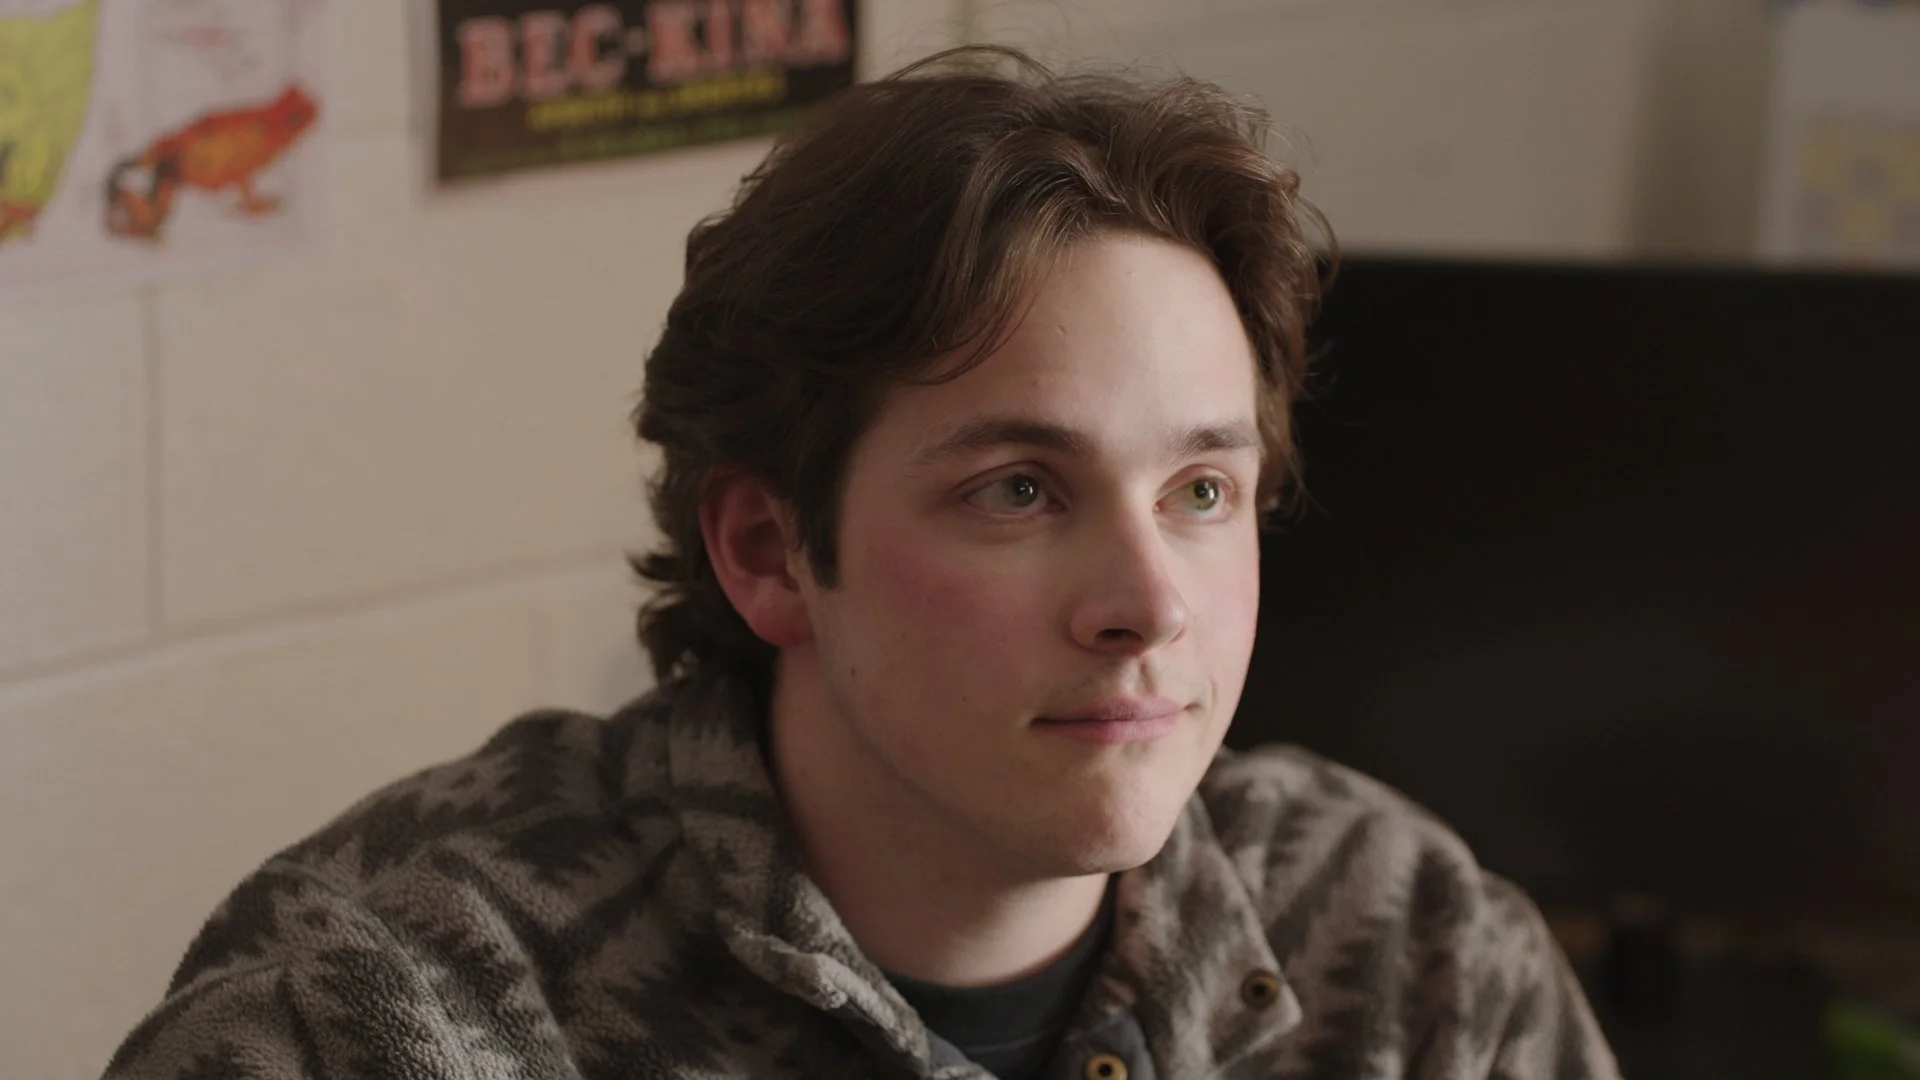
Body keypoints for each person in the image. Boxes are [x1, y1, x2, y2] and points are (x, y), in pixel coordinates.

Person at [103, 46, 1618, 1080]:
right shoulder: (385, 1016)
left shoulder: (1414, 960)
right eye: (1020, 490)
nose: (1150, 604)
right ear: (769, 551)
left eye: (1203, 489)